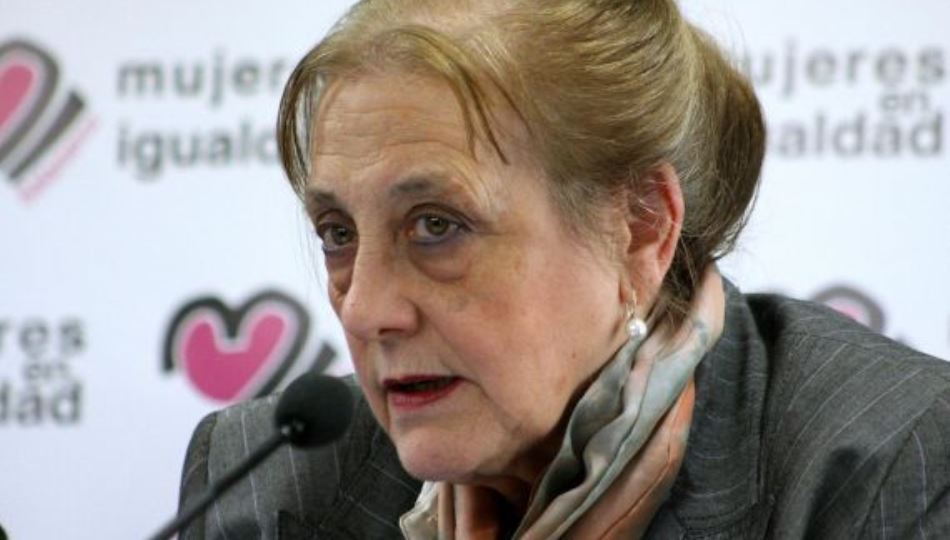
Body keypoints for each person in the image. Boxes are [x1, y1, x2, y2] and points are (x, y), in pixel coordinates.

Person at [178, 0, 950, 538]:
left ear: (639, 229)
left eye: (437, 226)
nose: (364, 310)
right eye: (338, 233)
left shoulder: (887, 464)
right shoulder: (262, 481)